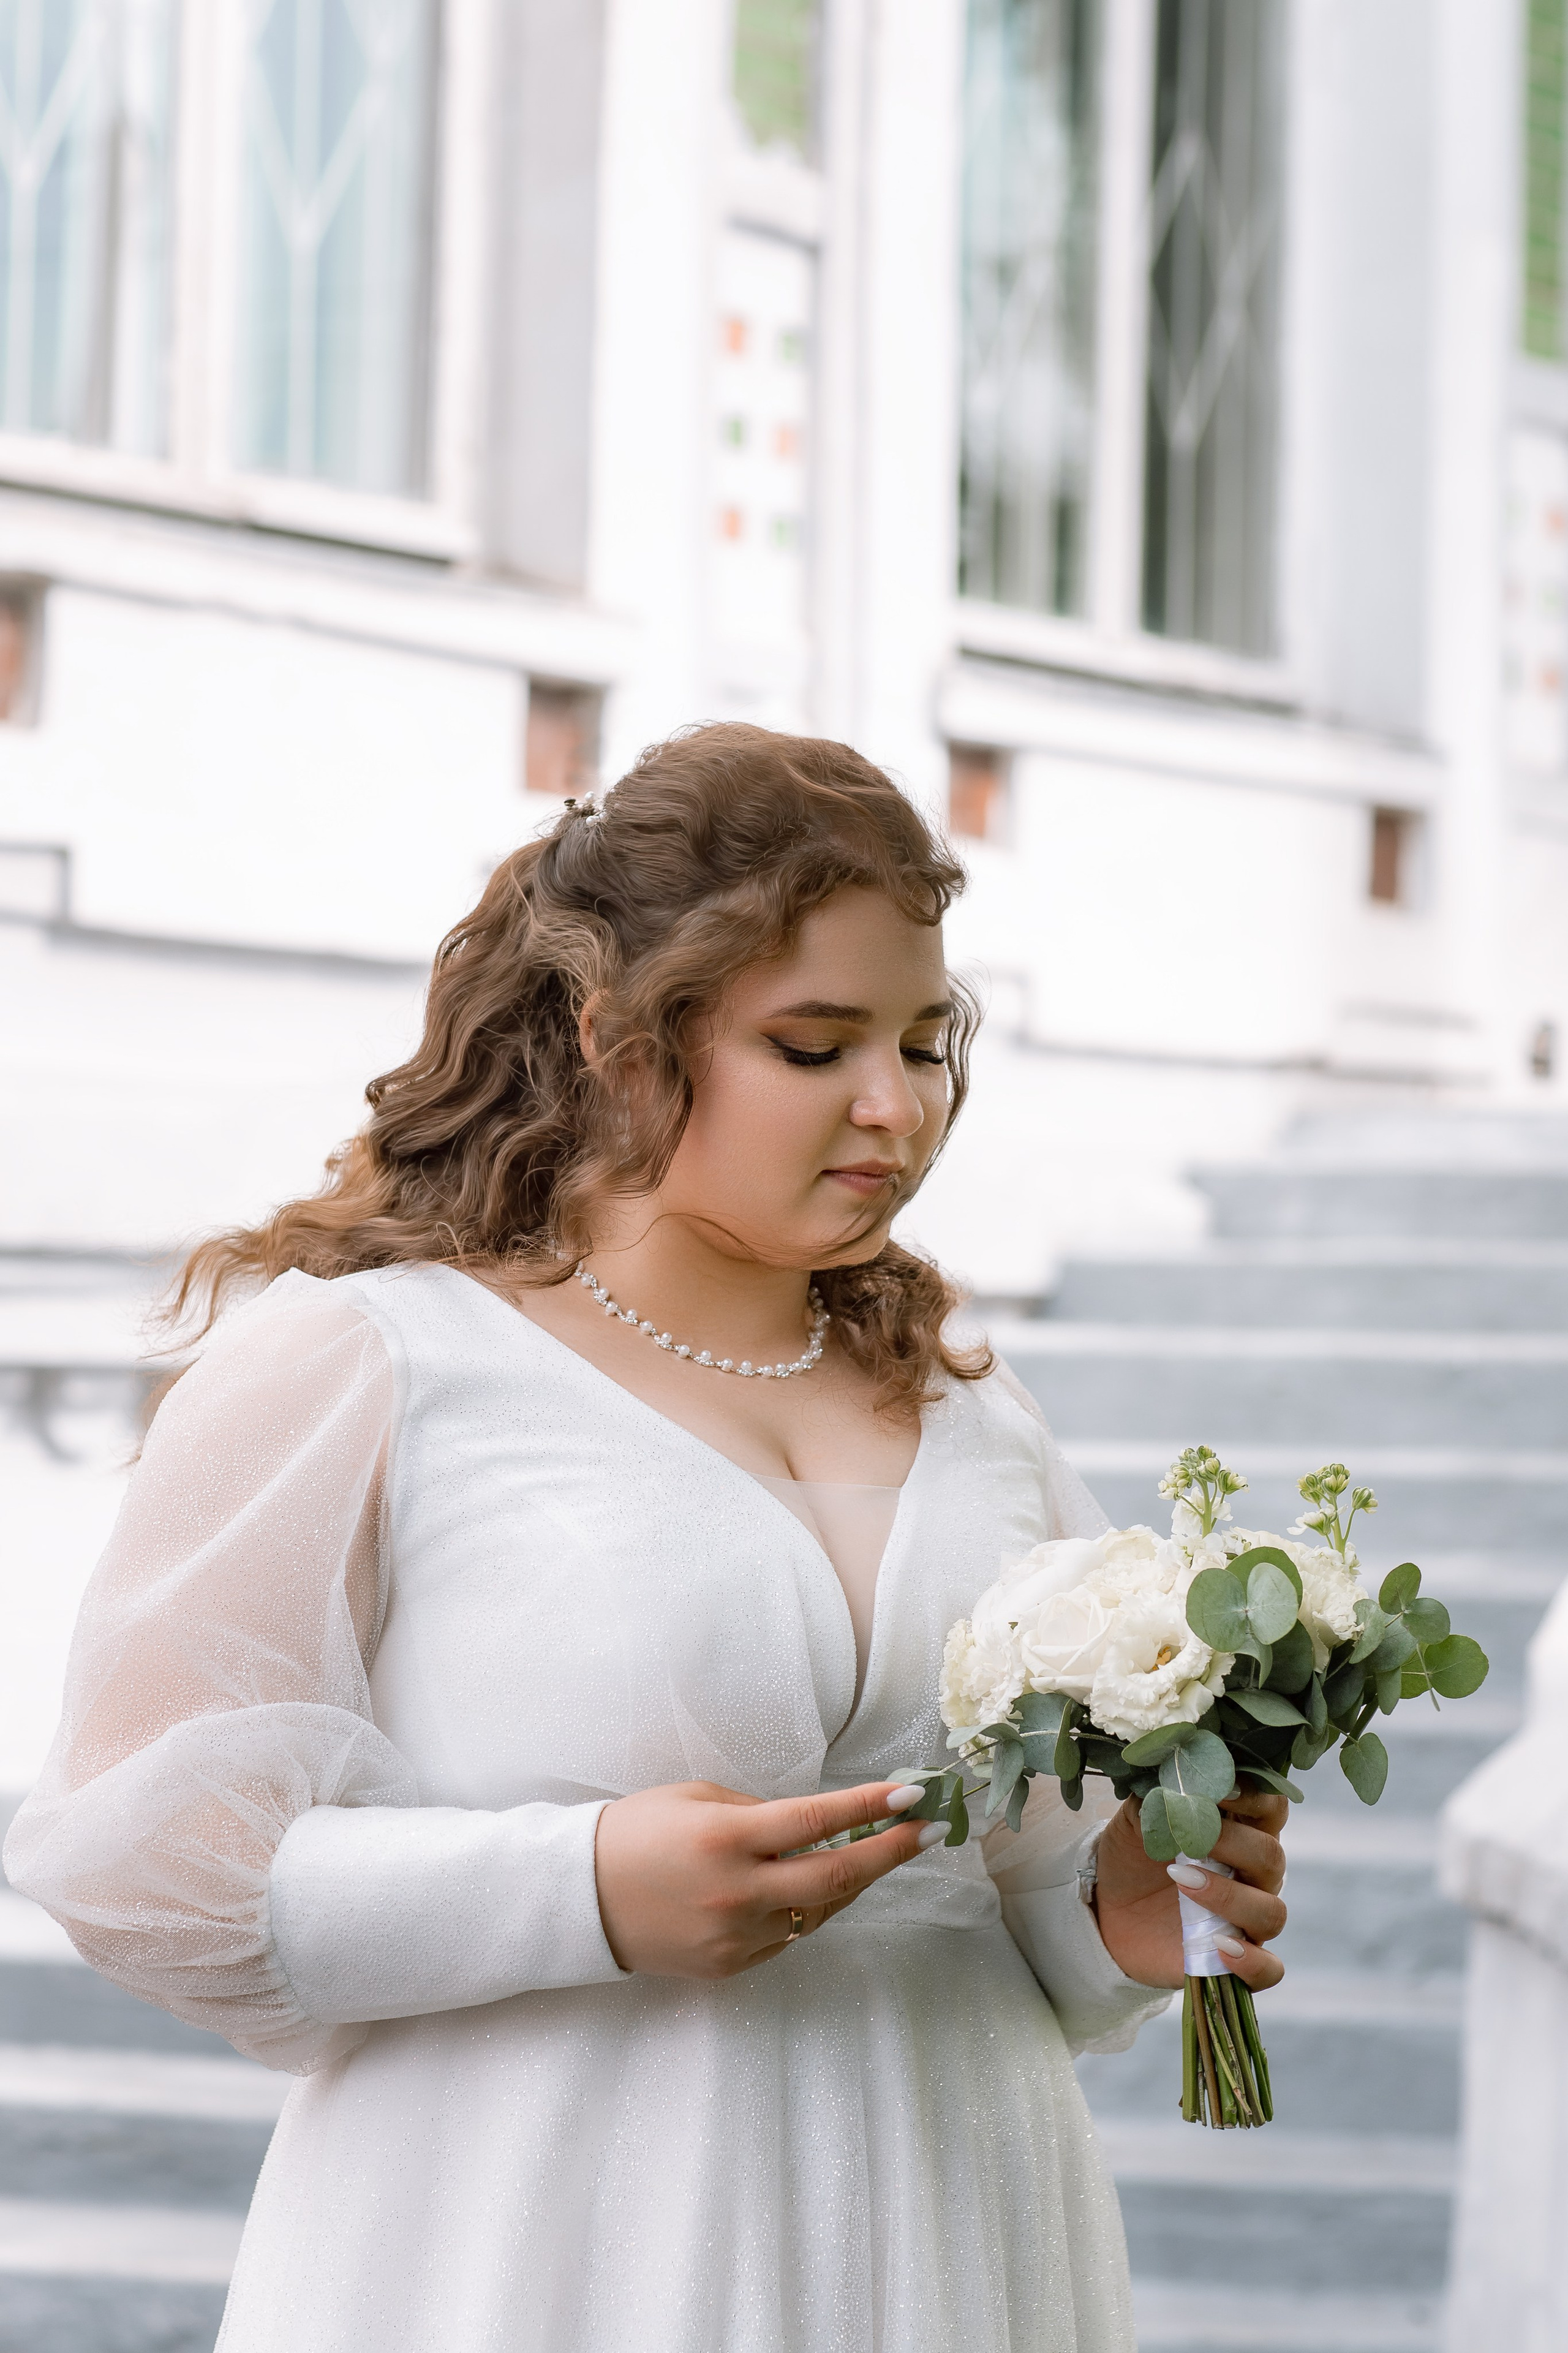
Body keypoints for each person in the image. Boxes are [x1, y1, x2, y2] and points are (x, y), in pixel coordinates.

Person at [6, 726, 1287, 2353]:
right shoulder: (374, 1363)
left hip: (965, 2228)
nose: (895, 1106)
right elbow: (142, 1858)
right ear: (619, 1038)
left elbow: (1021, 1887)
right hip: (542, 2247)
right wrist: (582, 1886)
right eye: (814, 1045)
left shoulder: (980, 1412)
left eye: (925, 1037)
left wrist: (1125, 1916)